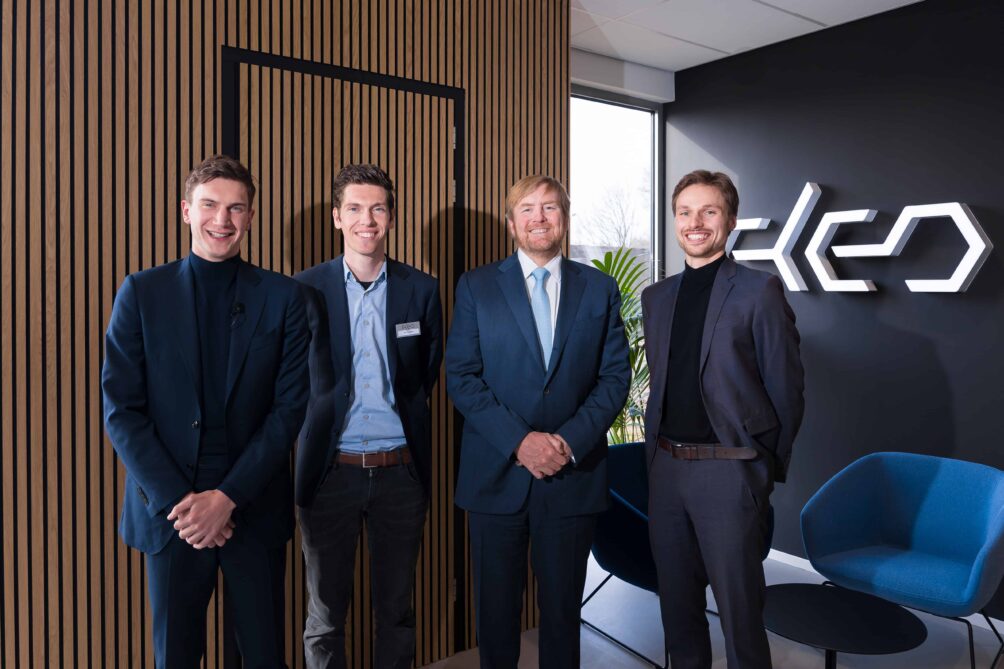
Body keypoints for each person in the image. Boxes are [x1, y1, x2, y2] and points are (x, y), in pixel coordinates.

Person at [102, 154, 309, 668]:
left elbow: (288, 409)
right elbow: (121, 410)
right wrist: (186, 503)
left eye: (237, 209)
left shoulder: (283, 298)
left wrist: (228, 498)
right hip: (171, 512)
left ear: (251, 217)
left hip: (253, 505)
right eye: (211, 205)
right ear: (186, 211)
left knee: (263, 655)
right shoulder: (142, 293)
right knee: (176, 655)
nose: (223, 220)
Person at [445, 175, 630, 669]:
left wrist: (566, 442)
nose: (539, 218)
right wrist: (520, 442)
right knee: (496, 615)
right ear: (511, 223)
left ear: (564, 219)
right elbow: (462, 378)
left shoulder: (599, 289)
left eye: (550, 208)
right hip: (495, 477)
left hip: (573, 476)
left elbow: (614, 379)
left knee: (563, 615)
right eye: (528, 209)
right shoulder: (477, 286)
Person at [642, 169, 805, 669]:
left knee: (740, 618)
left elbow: (788, 391)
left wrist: (759, 471)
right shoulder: (656, 297)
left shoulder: (759, 291)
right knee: (678, 612)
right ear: (674, 220)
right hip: (667, 470)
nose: (696, 222)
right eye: (685, 212)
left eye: (708, 211)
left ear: (730, 220)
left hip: (729, 471)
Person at [295, 164, 443, 669]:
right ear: (337, 217)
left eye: (378, 208)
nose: (367, 220)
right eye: (355, 209)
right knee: (325, 618)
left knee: (397, 613)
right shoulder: (305, 289)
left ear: (392, 217)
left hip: (400, 472)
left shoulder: (421, 290)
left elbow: (424, 375)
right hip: (328, 472)